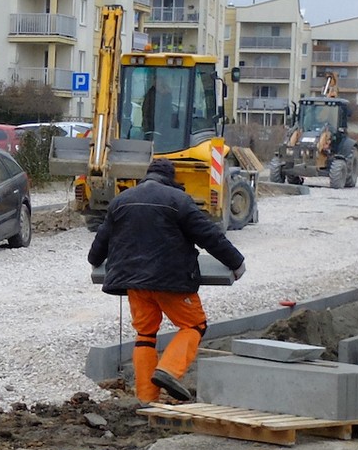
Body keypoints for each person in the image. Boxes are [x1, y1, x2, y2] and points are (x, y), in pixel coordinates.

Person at [87, 158, 245, 403]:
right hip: (171, 280)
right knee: (194, 326)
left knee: (145, 336)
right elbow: (208, 236)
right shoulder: (178, 201)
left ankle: (147, 399)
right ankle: (168, 370)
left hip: (134, 283)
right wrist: (236, 262)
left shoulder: (121, 201)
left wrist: (95, 260)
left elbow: (100, 245)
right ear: (171, 179)